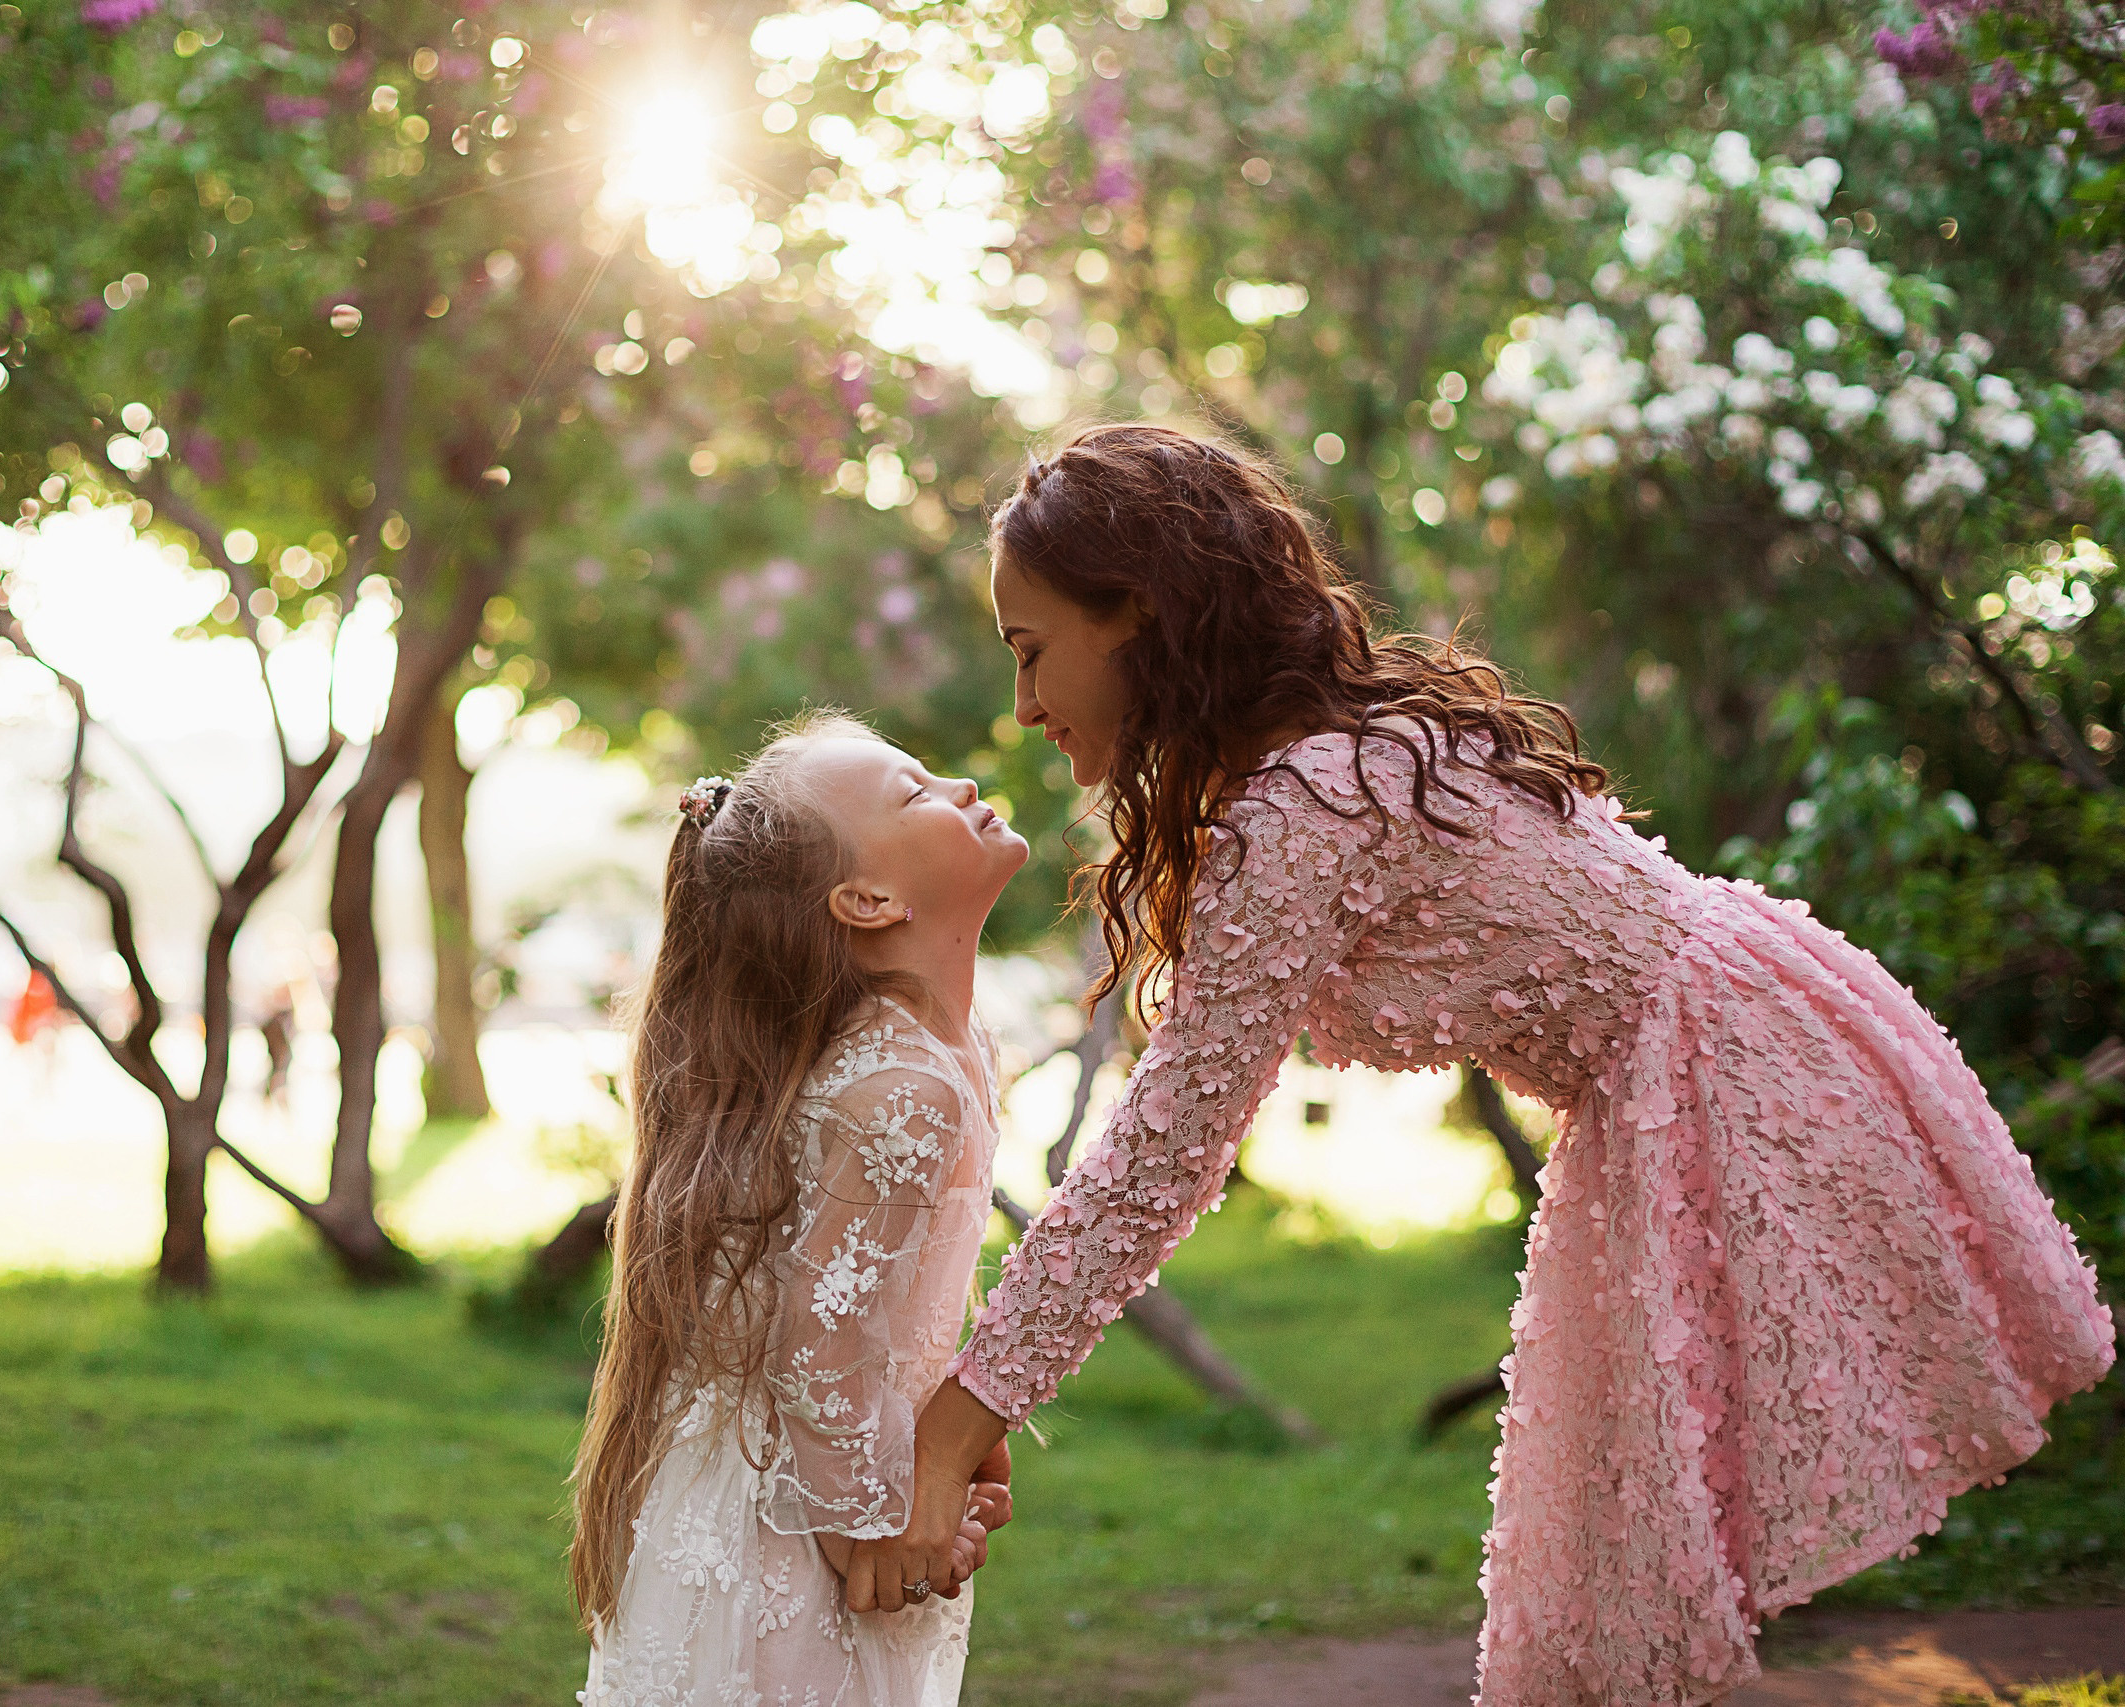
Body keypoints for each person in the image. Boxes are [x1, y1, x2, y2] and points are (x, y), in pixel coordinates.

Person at [853, 425, 2116, 1706]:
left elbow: (1158, 1158)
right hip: (1682, 1064)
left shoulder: (1312, 799)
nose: (1021, 708)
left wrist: (961, 1424)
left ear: (1140, 614)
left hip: (1723, 1077)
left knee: (1620, 1614)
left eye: (1030, 652)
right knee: (1610, 1616)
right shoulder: (1318, 772)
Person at [573, 712, 1025, 1707]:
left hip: (820, 1470)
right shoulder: (903, 1083)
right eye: (914, 793)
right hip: (796, 1521)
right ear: (866, 900)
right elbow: (817, 1345)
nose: (957, 787)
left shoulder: (950, 1050)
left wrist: (949, 1420)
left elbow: (886, 1295)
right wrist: (871, 1528)